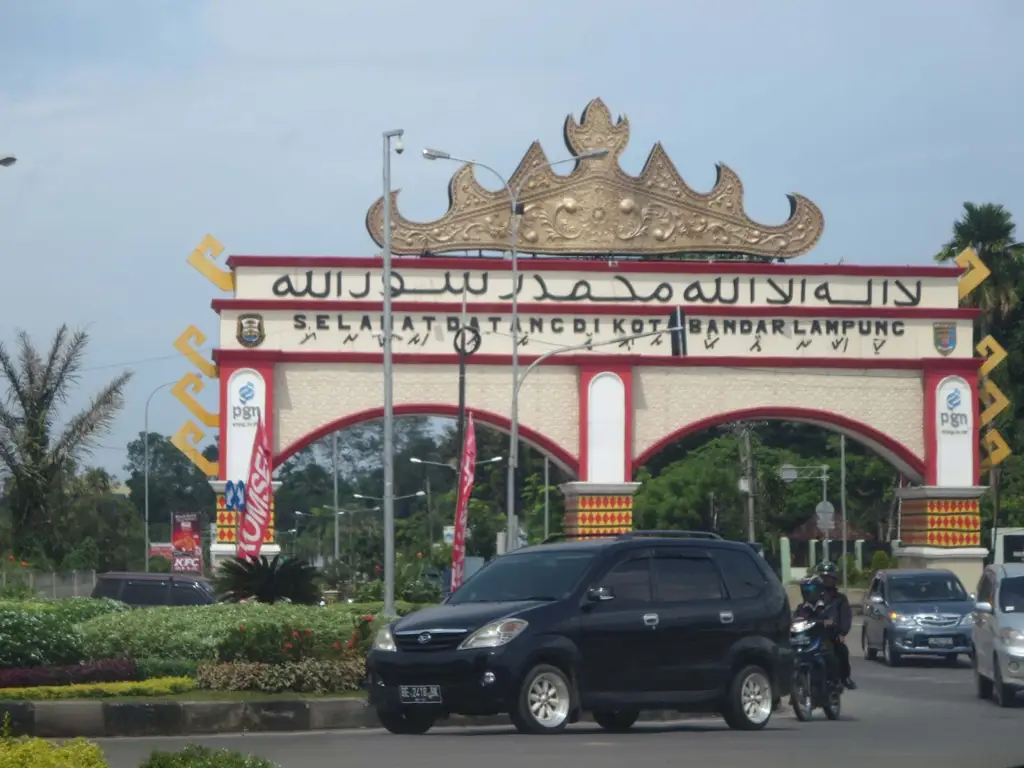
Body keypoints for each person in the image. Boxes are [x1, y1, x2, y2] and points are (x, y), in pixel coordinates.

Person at [816, 561, 856, 690]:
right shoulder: (813, 597)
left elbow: (846, 616)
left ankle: (844, 678)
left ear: (834, 579)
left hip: (831, 634)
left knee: (841, 651)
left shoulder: (840, 599)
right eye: (823, 577)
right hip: (814, 633)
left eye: (829, 577)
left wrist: (842, 632)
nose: (826, 580)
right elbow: (803, 612)